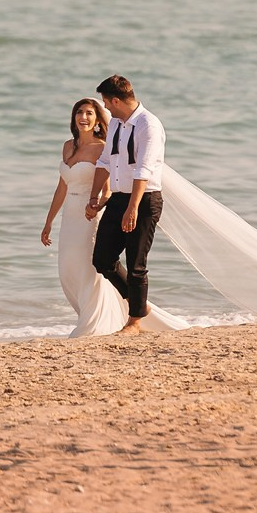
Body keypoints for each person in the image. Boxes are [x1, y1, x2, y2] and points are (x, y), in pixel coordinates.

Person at [40, 97, 185, 336]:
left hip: (90, 216)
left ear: (98, 119)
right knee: (69, 269)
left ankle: (96, 321)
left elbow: (108, 188)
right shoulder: (68, 146)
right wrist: (48, 222)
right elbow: (61, 187)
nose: (83, 117)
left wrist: (96, 205)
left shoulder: (102, 147)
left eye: (89, 113)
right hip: (70, 216)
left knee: (92, 268)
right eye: (79, 112)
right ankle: (124, 307)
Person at [88, 75, 167, 333]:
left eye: (106, 103)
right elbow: (105, 162)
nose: (106, 108)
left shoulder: (149, 125)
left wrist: (133, 208)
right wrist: (95, 197)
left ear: (116, 100)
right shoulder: (115, 125)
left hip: (143, 200)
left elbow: (143, 170)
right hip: (119, 198)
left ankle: (134, 321)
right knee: (102, 259)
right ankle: (139, 304)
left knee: (136, 264)